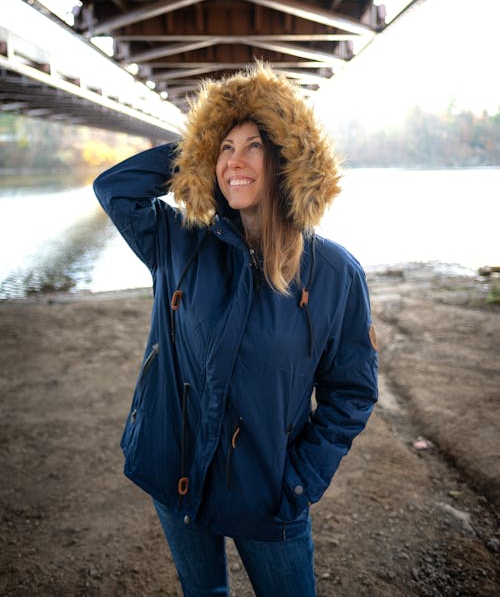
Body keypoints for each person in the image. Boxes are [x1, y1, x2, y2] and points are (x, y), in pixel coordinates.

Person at [94, 63, 378, 597]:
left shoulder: (336, 274)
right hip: (173, 466)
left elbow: (352, 391)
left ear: (288, 158)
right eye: (224, 147)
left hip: (266, 490)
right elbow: (115, 188)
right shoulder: (180, 242)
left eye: (254, 146)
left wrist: (301, 479)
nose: (235, 161)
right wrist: (198, 146)